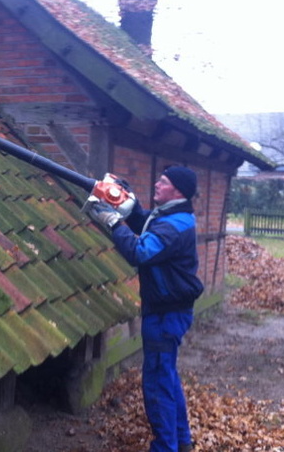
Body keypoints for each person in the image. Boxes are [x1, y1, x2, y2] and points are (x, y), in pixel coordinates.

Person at [85, 166, 204, 452]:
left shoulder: (174, 224)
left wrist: (113, 222)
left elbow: (141, 251)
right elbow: (145, 224)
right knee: (167, 375)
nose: (156, 184)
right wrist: (131, 204)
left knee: (157, 383)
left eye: (162, 182)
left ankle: (165, 447)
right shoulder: (173, 216)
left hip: (166, 314)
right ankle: (181, 440)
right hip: (170, 310)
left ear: (177, 190)